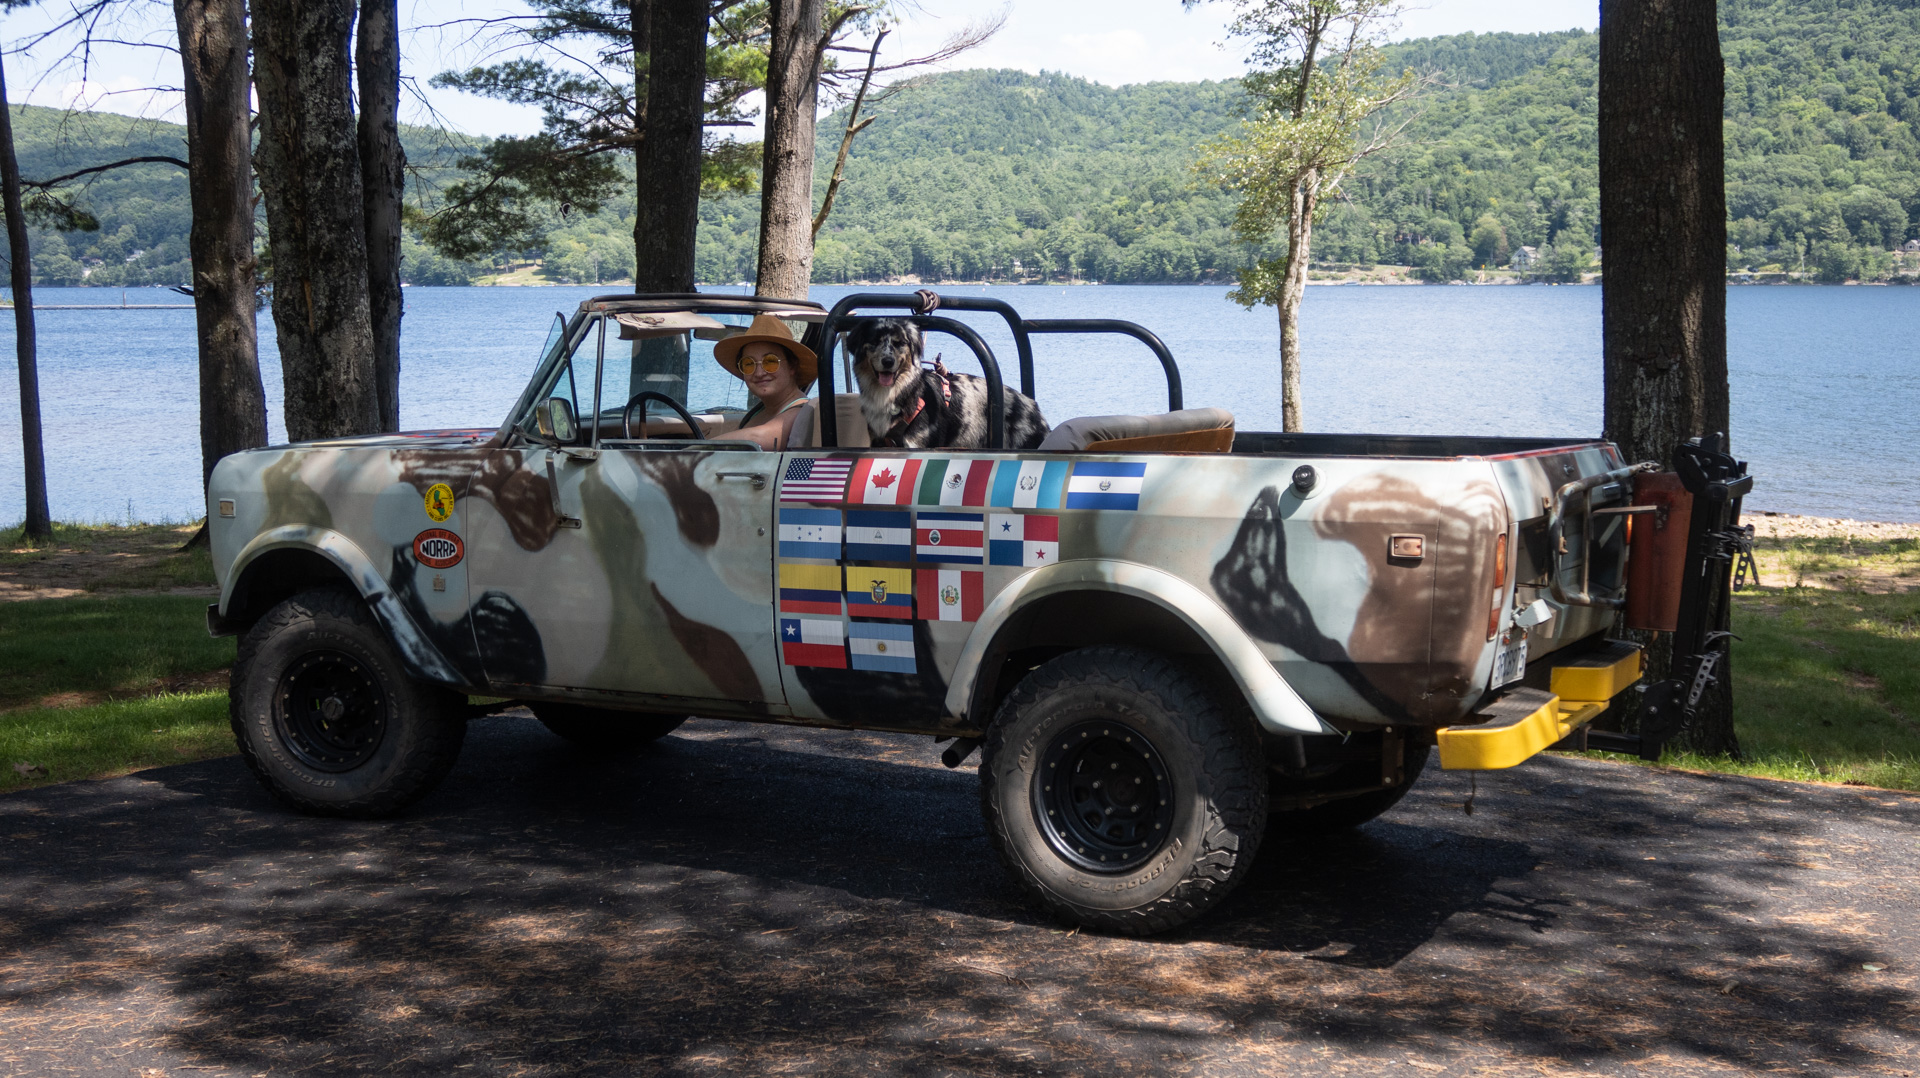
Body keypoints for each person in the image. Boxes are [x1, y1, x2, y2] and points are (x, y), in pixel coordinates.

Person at [711, 313, 816, 449]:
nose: (759, 373)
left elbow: (758, 438)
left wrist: (693, 450)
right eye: (749, 364)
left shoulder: (801, 410)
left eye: (770, 362)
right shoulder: (758, 412)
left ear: (792, 366)